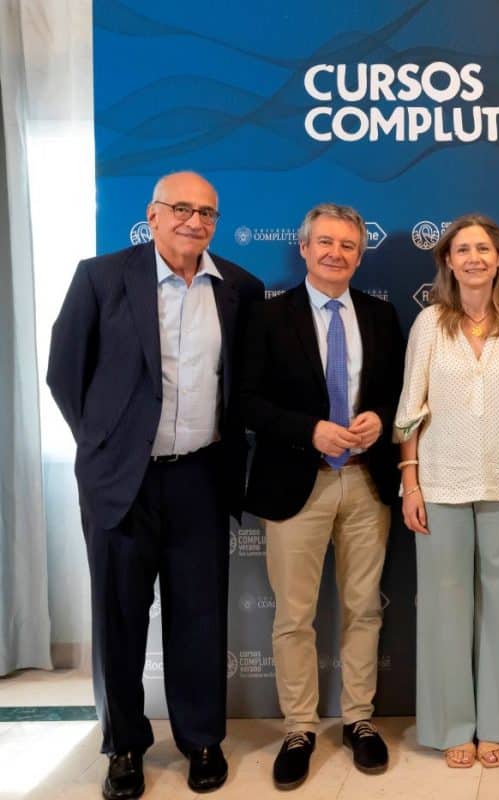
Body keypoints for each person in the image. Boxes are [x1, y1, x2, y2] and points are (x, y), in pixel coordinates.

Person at [46, 171, 264, 799]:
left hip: (201, 476)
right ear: (153, 214)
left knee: (200, 616)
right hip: (122, 481)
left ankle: (201, 740)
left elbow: (242, 385)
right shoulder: (101, 277)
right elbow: (65, 371)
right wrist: (105, 444)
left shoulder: (240, 288)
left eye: (207, 212)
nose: (194, 221)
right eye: (181, 209)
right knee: (118, 619)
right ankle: (123, 746)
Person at [240, 203, 403, 789]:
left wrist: (380, 417)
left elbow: (399, 393)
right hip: (295, 483)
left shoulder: (381, 316)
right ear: (304, 248)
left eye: (348, 245)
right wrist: (307, 430)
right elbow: (244, 401)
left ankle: (359, 719)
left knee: (364, 607)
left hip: (365, 481)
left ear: (360, 255)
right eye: (326, 243)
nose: (336, 253)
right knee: (294, 615)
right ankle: (299, 729)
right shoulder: (266, 316)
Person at [394, 214, 499, 769]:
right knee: (444, 604)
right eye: (463, 250)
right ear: (448, 261)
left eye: (483, 248)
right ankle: (451, 725)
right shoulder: (430, 324)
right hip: (441, 480)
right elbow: (410, 409)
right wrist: (410, 481)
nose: (474, 258)